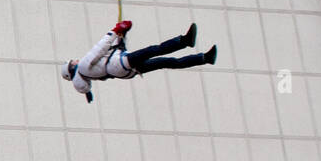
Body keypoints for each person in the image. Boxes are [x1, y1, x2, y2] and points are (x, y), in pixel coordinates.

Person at [61, 21, 218, 103]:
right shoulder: (82, 67)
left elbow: (110, 51)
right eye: (72, 61)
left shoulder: (89, 74)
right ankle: (184, 41)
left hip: (124, 69)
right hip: (120, 64)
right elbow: (99, 49)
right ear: (72, 67)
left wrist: (121, 34)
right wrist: (115, 30)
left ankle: (204, 58)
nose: (76, 60)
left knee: (166, 62)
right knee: (154, 50)